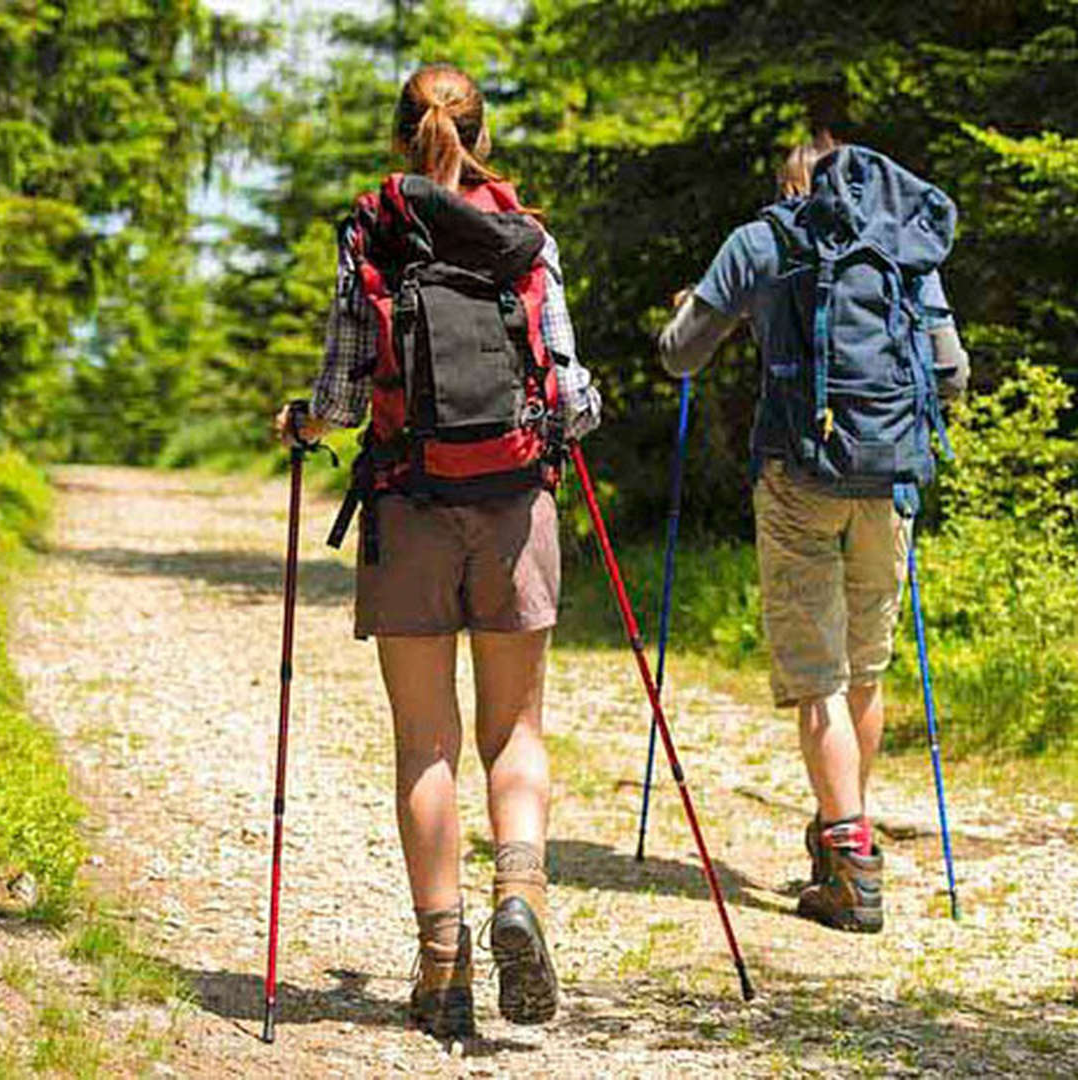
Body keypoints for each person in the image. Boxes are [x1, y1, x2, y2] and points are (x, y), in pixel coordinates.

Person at [274, 63, 601, 1040]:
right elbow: (571, 397)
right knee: (515, 733)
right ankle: (520, 897)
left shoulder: (370, 233)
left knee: (427, 744)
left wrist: (303, 423)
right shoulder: (527, 240)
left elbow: (341, 393)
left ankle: (443, 966)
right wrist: (572, 420)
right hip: (512, 511)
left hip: (408, 506)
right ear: (483, 139)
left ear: (398, 139)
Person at [658, 138, 970, 933]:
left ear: (788, 184)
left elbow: (680, 357)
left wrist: (687, 311)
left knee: (818, 676)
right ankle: (844, 828)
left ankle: (850, 859)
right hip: (890, 477)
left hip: (798, 473)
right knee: (864, 666)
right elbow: (952, 372)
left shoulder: (761, 240)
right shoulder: (904, 243)